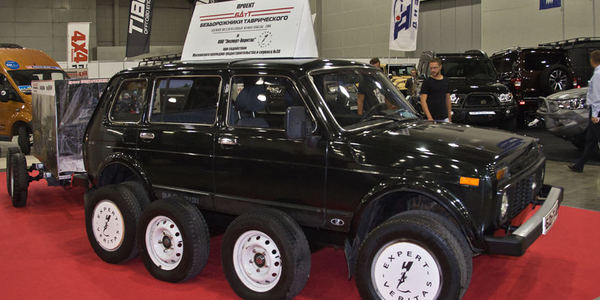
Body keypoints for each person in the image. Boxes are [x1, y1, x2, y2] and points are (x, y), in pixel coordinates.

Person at [569, 50, 600, 172]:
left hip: (597, 110)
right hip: (597, 109)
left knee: (594, 138)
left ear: (592, 61)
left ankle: (579, 165)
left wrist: (595, 114)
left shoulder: (598, 75)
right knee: (591, 139)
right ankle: (579, 165)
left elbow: (597, 96)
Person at [420, 58, 451, 122]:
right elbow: (423, 101)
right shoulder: (427, 82)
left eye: (435, 68)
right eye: (431, 68)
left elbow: (448, 99)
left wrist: (449, 116)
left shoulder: (446, 81)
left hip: (444, 117)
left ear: (440, 67)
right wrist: (429, 117)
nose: (433, 70)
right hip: (432, 118)